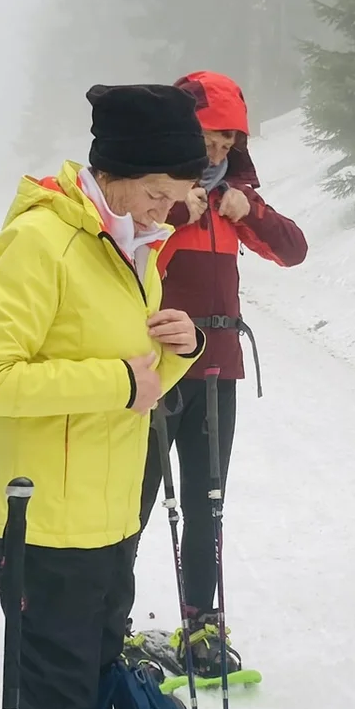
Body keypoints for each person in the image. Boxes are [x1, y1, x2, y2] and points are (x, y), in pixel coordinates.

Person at [0, 83, 207, 709]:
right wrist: (117, 379)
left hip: (106, 513)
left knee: (87, 687)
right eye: (160, 187)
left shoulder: (130, 244)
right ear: (114, 172)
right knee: (46, 702)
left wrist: (182, 348)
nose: (172, 204)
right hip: (42, 517)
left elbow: (142, 387)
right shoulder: (40, 242)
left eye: (179, 190)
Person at [138, 71, 308, 670]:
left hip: (219, 368)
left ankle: (201, 627)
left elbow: (293, 249)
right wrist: (175, 216)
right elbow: (120, 253)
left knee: (208, 500)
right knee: (134, 500)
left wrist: (250, 209)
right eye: (211, 136)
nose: (217, 150)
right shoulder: (151, 191)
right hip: (155, 368)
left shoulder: (233, 196)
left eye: (229, 139)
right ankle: (108, 620)